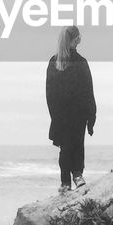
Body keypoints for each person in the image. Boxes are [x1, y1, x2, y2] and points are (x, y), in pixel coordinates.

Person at [46, 25, 96, 193]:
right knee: (76, 145)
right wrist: (91, 116)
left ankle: (65, 183)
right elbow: (89, 91)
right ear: (76, 40)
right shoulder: (81, 62)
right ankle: (77, 176)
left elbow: (49, 93)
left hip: (61, 114)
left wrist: (54, 116)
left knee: (66, 148)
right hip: (77, 114)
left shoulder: (54, 62)